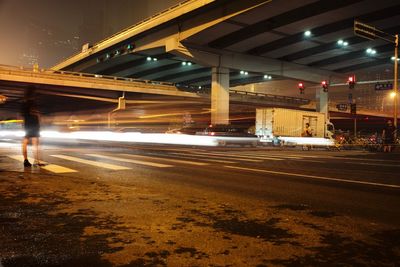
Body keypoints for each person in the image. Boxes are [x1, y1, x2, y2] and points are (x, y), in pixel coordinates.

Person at [21, 87, 44, 167]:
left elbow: (23, 116)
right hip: (34, 125)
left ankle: (26, 160)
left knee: (25, 142)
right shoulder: (33, 103)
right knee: (35, 143)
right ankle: (36, 161)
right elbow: (37, 115)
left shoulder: (24, 103)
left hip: (28, 125)